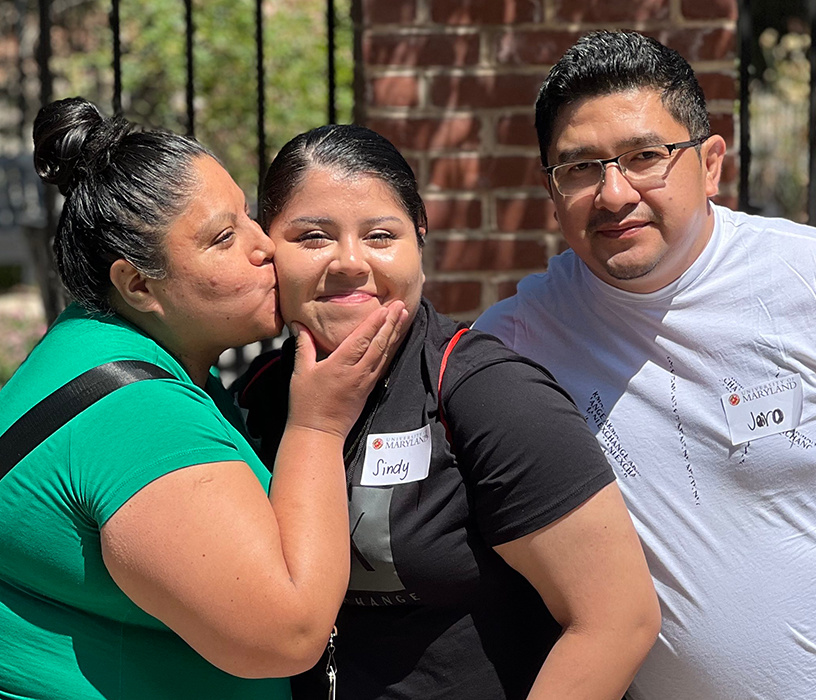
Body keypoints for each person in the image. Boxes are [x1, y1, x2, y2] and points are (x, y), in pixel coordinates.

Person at [474, 31, 816, 700]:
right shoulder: (515, 348)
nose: (614, 192)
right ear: (552, 189)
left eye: (646, 156)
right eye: (581, 167)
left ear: (711, 164)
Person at [0, 98, 410, 700]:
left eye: (245, 215)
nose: (265, 245)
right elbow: (287, 634)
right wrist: (319, 425)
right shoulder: (139, 415)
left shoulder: (88, 340)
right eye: (222, 238)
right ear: (138, 285)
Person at [233, 124, 660, 700]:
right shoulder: (258, 396)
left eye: (381, 235)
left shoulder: (486, 391)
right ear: (267, 248)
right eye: (313, 237)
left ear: (420, 240)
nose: (350, 262)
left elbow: (617, 621)